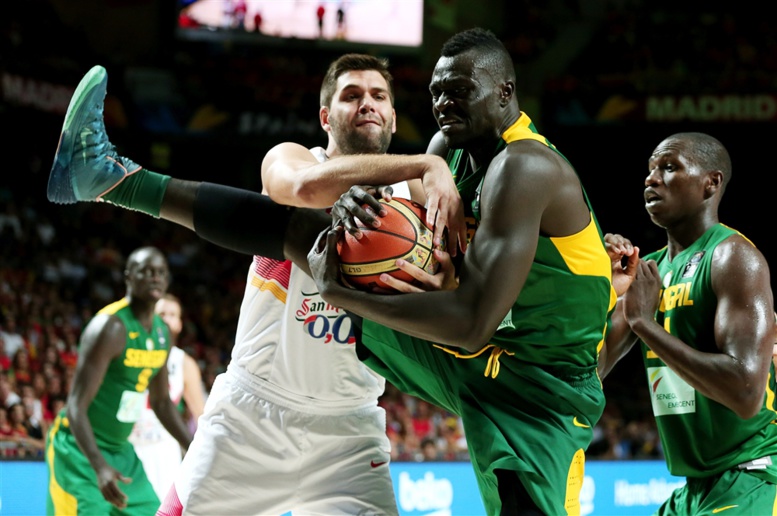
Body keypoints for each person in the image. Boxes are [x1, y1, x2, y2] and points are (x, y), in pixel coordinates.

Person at [46, 54, 462, 515]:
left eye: (378, 96)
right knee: (294, 223)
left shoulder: (417, 200)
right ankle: (115, 179)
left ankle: (117, 180)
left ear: (393, 116)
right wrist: (425, 163)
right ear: (325, 117)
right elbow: (301, 188)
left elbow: (462, 289)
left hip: (350, 428)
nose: (368, 104)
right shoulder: (293, 158)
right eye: (351, 95)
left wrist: (448, 284)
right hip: (253, 414)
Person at [307, 27, 615, 514]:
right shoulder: (445, 148)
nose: (444, 103)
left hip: (543, 387)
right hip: (485, 351)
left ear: (505, 93)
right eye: (435, 92)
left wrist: (341, 295)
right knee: (313, 237)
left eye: (460, 90)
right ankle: (143, 189)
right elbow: (400, 233)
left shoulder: (525, 165)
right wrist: (350, 203)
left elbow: (470, 326)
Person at [599, 133, 777, 515]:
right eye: (649, 170)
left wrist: (646, 326)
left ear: (710, 182)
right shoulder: (650, 270)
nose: (651, 179)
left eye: (669, 167)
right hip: (694, 488)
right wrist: (606, 293)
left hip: (752, 478)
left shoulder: (733, 257)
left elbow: (746, 394)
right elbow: (591, 369)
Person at [45, 247, 192, 515]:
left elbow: (161, 402)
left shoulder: (162, 333)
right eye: (146, 272)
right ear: (129, 277)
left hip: (122, 452)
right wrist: (99, 465)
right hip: (79, 452)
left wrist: (193, 446)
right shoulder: (110, 327)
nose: (154, 278)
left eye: (160, 273)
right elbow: (75, 406)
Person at [129, 293, 205, 501]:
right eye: (162, 313)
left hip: (164, 450)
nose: (166, 318)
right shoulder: (131, 350)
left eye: (172, 314)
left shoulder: (184, 363)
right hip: (129, 443)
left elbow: (201, 415)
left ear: (179, 324)